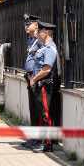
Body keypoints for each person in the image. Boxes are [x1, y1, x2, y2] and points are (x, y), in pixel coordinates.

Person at [28, 21, 59, 153]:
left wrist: (34, 79)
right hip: (39, 85)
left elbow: (46, 69)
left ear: (45, 33)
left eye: (39, 31)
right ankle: (43, 141)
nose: (37, 34)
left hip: (44, 85)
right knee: (42, 114)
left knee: (46, 114)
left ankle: (48, 144)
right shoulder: (43, 48)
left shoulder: (50, 49)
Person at [23, 14, 40, 148]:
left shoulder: (40, 40)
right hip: (29, 77)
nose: (26, 26)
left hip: (36, 79)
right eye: (26, 24)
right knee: (32, 109)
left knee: (39, 109)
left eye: (29, 24)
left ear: (36, 25)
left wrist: (34, 77)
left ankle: (39, 139)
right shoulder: (30, 39)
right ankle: (33, 137)